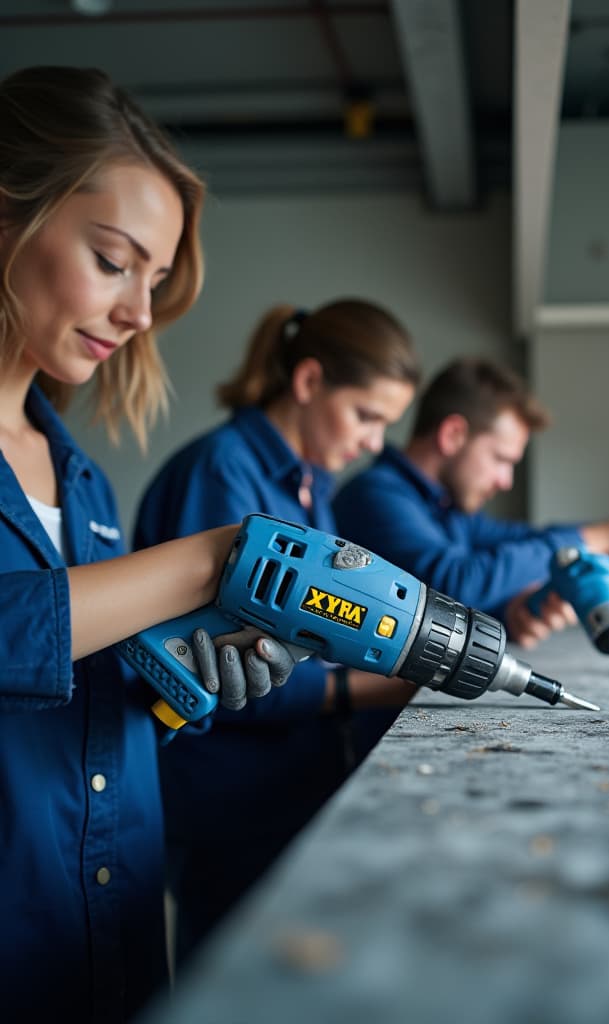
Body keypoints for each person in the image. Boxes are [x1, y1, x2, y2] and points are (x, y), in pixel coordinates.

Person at [0, 66, 297, 1024]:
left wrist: (178, 680)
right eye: (113, 259)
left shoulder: (78, 475)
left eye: (156, 280)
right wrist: (216, 560)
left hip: (110, 935)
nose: (138, 313)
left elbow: (75, 700)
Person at [133, 299, 420, 966]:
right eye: (367, 415)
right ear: (310, 381)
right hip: (228, 801)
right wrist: (382, 687)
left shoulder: (309, 484)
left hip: (288, 785)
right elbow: (238, 670)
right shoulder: (221, 472)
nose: (376, 442)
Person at [333, 357, 609, 647]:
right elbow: (454, 583)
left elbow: (516, 540)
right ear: (453, 435)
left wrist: (509, 614)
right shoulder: (375, 495)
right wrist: (599, 539)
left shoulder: (447, 507)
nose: (505, 481)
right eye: (500, 459)